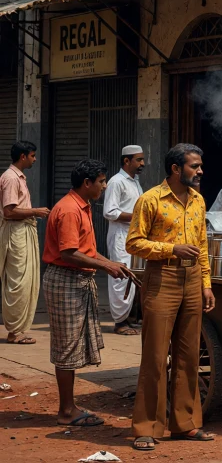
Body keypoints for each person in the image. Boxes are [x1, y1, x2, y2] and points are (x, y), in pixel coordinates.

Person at [127, 143, 215, 451]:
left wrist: (206, 283)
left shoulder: (199, 201)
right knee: (155, 356)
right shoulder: (149, 200)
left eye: (200, 165)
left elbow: (202, 245)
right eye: (194, 166)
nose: (200, 170)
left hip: (192, 280)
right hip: (161, 278)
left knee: (189, 355)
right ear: (176, 169)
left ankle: (186, 424)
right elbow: (134, 243)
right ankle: (146, 427)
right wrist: (171, 249)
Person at [44, 158, 138, 428]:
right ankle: (66, 411)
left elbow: (84, 250)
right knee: (66, 346)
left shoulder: (80, 206)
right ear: (87, 183)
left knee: (71, 344)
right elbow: (69, 253)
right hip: (66, 280)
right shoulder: (71, 210)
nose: (104, 186)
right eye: (101, 182)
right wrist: (106, 267)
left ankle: (69, 405)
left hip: (75, 280)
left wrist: (110, 263)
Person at [0, 141, 47, 345]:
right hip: (16, 233)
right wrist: (36, 211)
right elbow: (9, 211)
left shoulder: (18, 177)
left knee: (25, 280)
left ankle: (18, 329)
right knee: (18, 281)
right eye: (32, 156)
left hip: (23, 231)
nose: (34, 159)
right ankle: (15, 331)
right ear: (23, 157)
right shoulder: (11, 178)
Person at [104, 146, 145, 336]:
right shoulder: (116, 182)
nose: (142, 163)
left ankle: (130, 318)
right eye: (138, 160)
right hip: (121, 236)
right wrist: (139, 217)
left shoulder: (135, 182)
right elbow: (109, 212)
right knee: (121, 277)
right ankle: (120, 322)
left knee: (133, 277)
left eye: (142, 159)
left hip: (134, 236)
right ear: (127, 161)